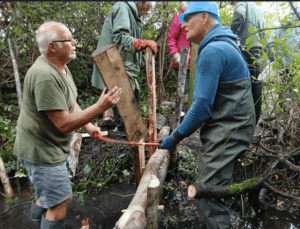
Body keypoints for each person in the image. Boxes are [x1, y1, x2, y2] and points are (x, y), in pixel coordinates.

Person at [13, 21, 122, 229]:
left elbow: (70, 102)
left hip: (48, 145)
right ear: (53, 46)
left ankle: (32, 225)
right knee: (60, 201)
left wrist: (89, 126)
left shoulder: (59, 67)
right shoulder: (44, 76)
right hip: (41, 150)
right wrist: (100, 107)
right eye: (69, 40)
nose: (75, 42)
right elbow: (63, 125)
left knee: (48, 196)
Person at [158, 2, 255, 228]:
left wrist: (174, 138)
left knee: (207, 192)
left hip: (231, 130)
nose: (182, 25)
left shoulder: (213, 50)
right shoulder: (223, 43)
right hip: (233, 125)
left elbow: (201, 108)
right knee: (210, 186)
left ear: (204, 17)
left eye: (187, 18)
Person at [91, 1, 157, 133]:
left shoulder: (134, 15)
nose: (148, 12)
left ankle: (132, 138)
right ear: (142, 2)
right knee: (125, 109)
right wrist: (142, 44)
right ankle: (126, 143)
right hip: (113, 63)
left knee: (135, 98)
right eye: (148, 8)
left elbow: (129, 44)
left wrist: (142, 60)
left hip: (125, 64)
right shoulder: (123, 7)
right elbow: (120, 37)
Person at [230, 1, 265, 79]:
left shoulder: (242, 4)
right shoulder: (257, 9)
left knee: (244, 78)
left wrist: (231, 33)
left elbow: (240, 13)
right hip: (257, 49)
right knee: (254, 77)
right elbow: (263, 30)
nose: (234, 6)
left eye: (233, 4)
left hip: (246, 48)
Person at [167, 1, 191, 111]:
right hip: (181, 62)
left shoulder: (198, 17)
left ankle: (188, 115)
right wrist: (176, 56)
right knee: (184, 91)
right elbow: (171, 37)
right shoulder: (180, 17)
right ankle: (182, 116)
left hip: (194, 64)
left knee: (192, 91)